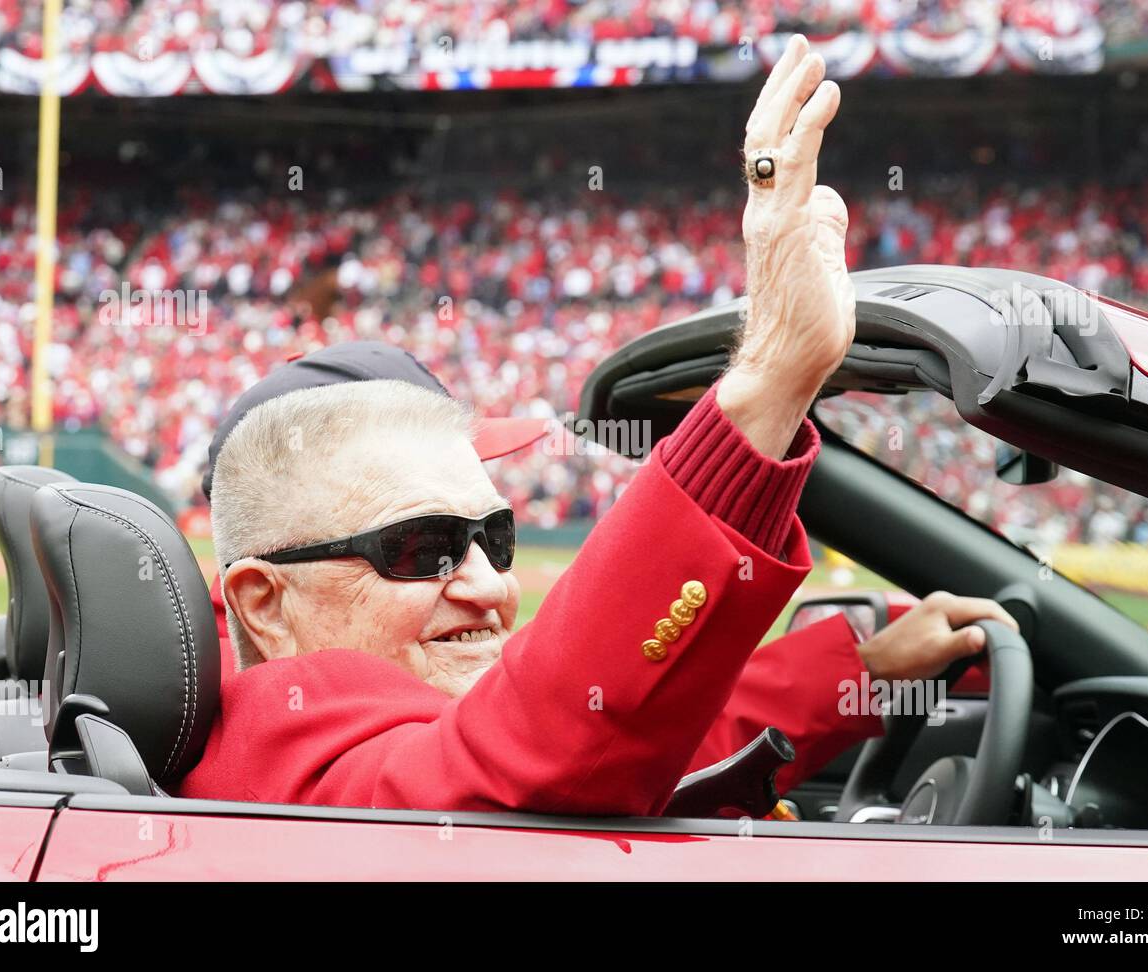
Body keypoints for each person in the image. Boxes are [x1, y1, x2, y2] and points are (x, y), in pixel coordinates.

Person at [178, 36, 1015, 813]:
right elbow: (531, 753)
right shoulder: (278, 741)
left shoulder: (270, 703)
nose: (492, 585)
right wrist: (771, 377)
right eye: (419, 550)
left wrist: (858, 672)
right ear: (264, 603)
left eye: (494, 538)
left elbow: (639, 739)